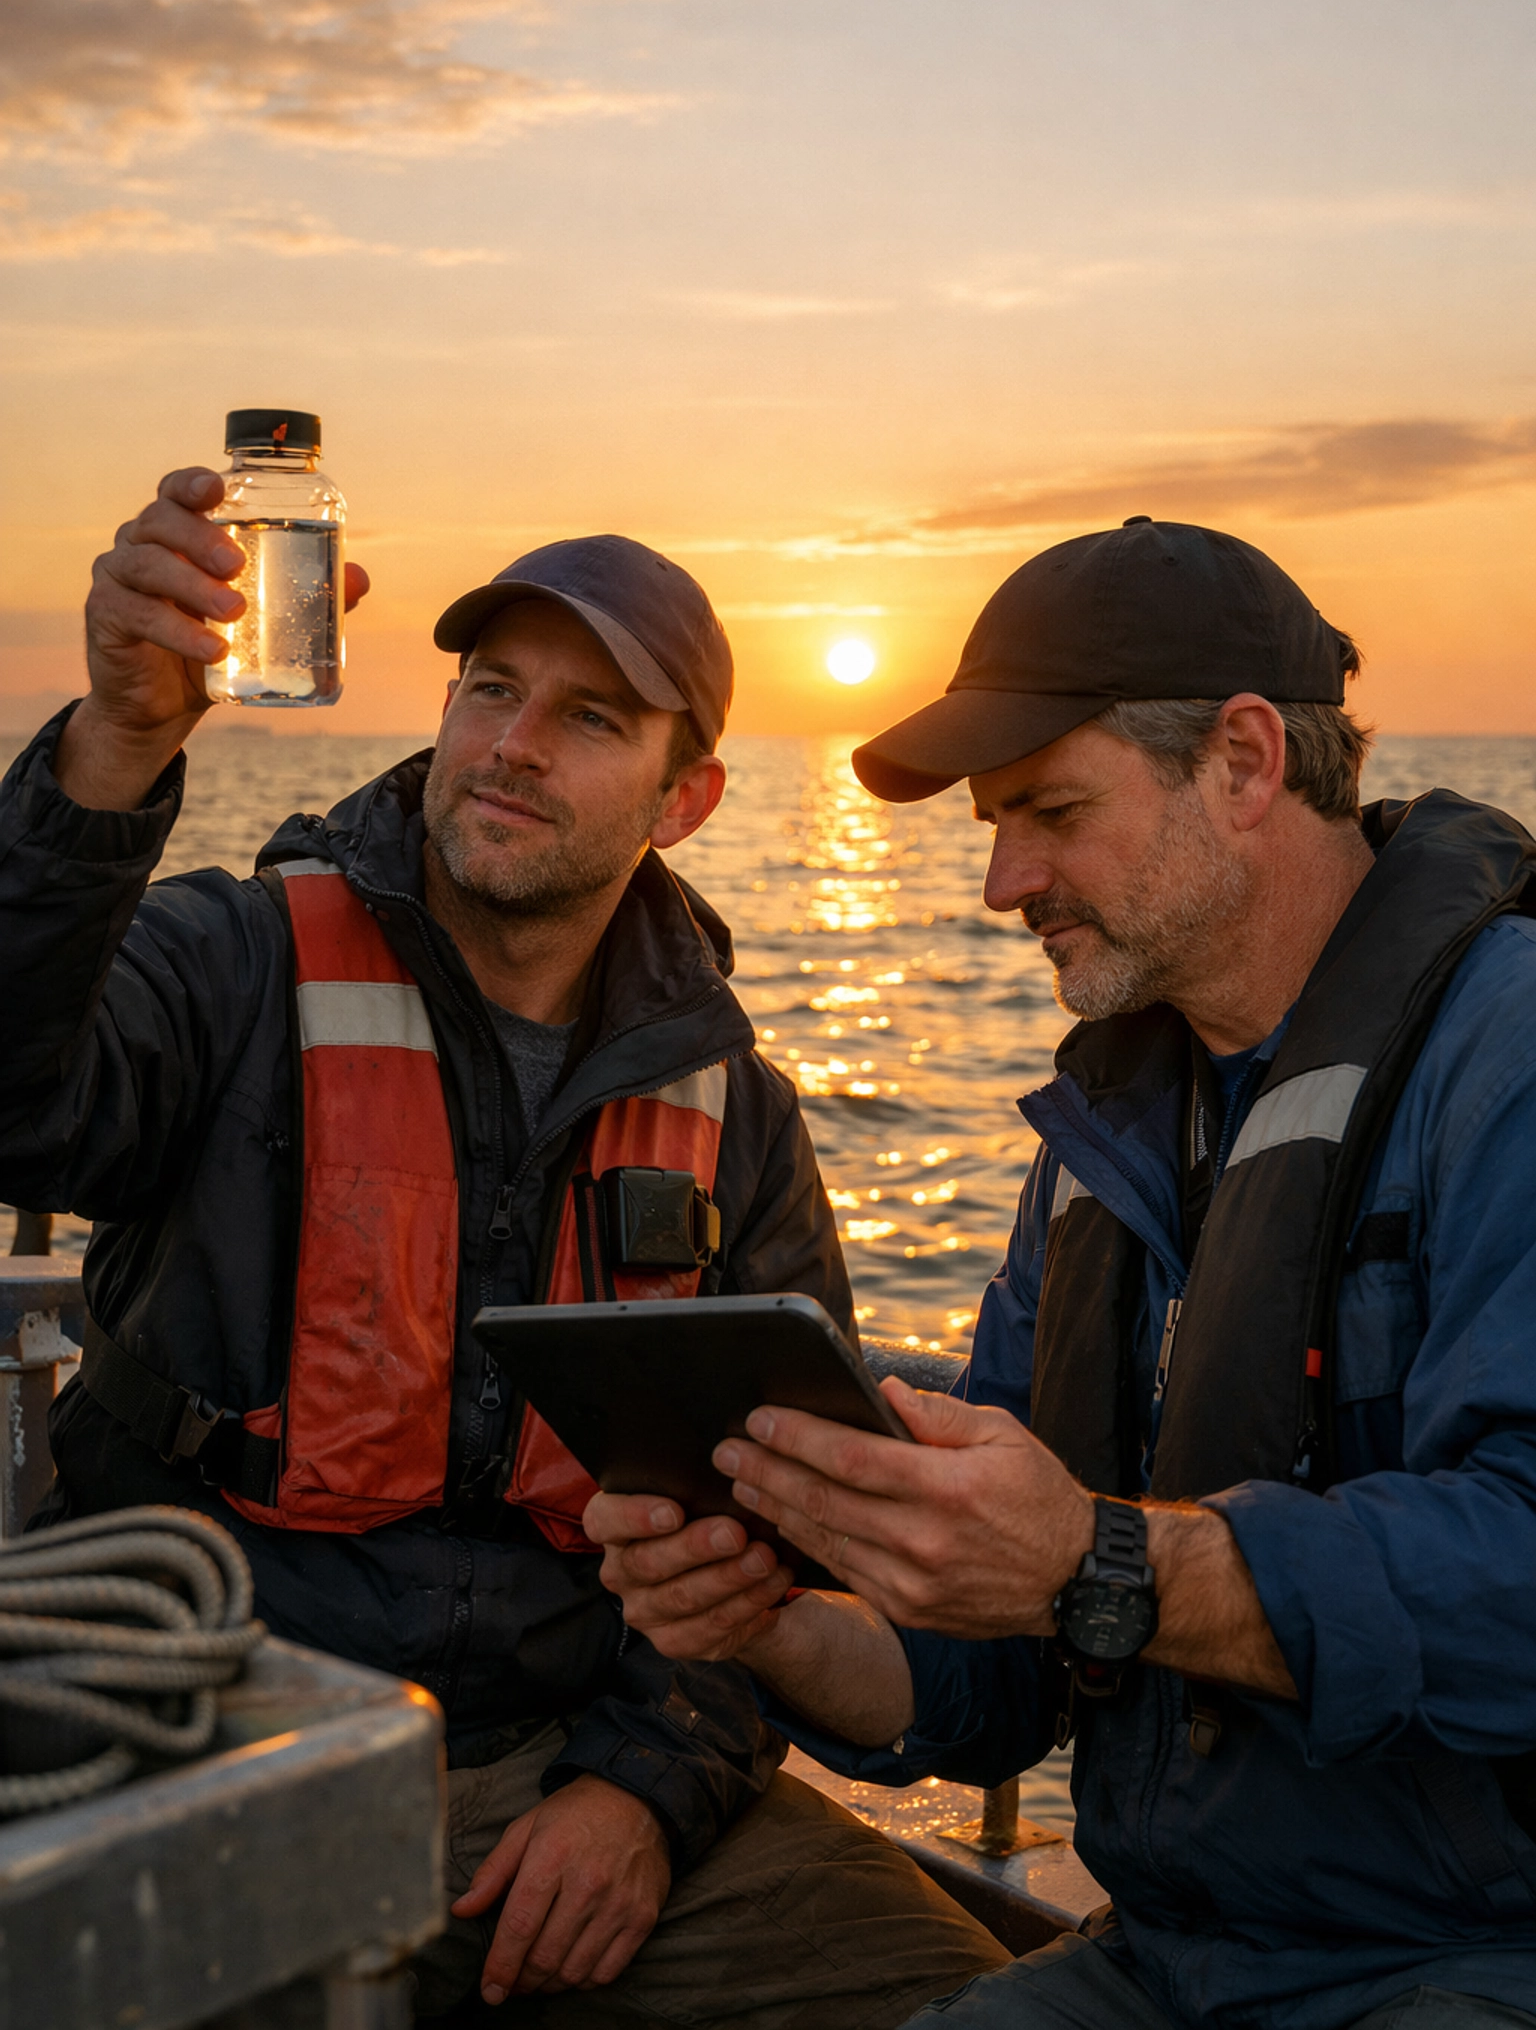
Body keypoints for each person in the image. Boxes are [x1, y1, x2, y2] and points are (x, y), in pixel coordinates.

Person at [0, 464, 1008, 2025]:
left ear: (689, 801)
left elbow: (773, 1536)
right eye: (491, 690)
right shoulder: (234, 963)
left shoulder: (735, 1115)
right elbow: (15, 1106)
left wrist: (641, 1798)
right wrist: (116, 751)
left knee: (963, 1997)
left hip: (560, 1771)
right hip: (207, 1728)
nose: (513, 747)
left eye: (593, 717)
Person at [589, 517, 1536, 2030]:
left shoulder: (1512, 1054)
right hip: (1172, 1958)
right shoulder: (1108, 1136)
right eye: (988, 824)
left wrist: (1103, 1565)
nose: (999, 882)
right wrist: (772, 1615)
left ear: (1242, 764)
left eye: (1049, 811)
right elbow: (1000, 1687)